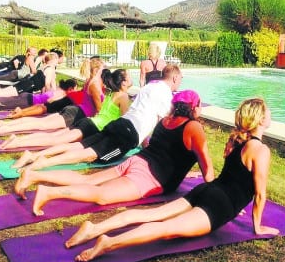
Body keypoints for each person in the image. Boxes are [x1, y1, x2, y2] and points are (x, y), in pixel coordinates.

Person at [64, 97, 280, 262]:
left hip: (206, 191)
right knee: (165, 229)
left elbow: (234, 178)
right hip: (219, 204)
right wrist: (257, 227)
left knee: (152, 214)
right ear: (260, 119)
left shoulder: (237, 141)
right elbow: (259, 194)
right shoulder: (260, 150)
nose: (271, 115)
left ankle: (94, 228)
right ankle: (108, 243)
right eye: (269, 112)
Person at [12, 90, 214, 217]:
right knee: (102, 195)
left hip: (137, 161)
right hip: (149, 176)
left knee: (91, 180)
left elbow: (167, 153)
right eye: (199, 106)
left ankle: (34, 175)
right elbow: (208, 170)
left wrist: (186, 174)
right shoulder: (194, 127)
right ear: (193, 108)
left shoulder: (165, 121)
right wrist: (214, 197)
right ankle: (49, 192)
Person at [12, 63, 183, 171]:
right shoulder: (167, 96)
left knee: (80, 146)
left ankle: (33, 155)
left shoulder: (148, 87)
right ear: (175, 77)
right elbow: (161, 124)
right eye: (180, 78)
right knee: (90, 154)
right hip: (128, 136)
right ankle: (41, 163)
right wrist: (151, 145)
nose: (180, 81)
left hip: (118, 124)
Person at [0, 69, 132, 149]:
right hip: (85, 120)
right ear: (123, 82)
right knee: (52, 136)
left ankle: (13, 134)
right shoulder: (112, 92)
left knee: (50, 132)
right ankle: (15, 139)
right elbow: (123, 120)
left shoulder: (105, 90)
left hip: (83, 117)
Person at [0, 58, 106, 136]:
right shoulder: (94, 84)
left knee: (40, 122)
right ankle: (5, 128)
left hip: (75, 110)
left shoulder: (90, 81)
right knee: (41, 125)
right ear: (97, 69)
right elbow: (99, 109)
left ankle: (4, 124)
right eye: (103, 68)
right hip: (77, 114)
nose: (104, 71)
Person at [4, 56, 104, 120]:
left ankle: (22, 112)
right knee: (45, 108)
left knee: (44, 106)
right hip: (72, 102)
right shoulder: (93, 82)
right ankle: (22, 113)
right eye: (102, 69)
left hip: (71, 100)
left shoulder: (88, 80)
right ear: (96, 69)